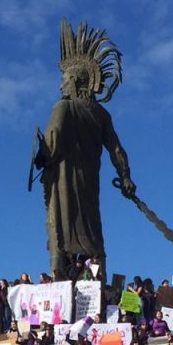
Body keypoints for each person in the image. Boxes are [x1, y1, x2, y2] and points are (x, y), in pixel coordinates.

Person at [36, 19, 135, 280]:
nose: (61, 86)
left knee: (60, 225)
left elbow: (52, 137)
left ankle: (58, 276)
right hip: (90, 180)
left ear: (76, 81)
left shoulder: (63, 107)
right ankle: (98, 274)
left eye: (64, 80)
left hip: (64, 178)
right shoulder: (101, 114)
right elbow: (116, 148)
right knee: (92, 226)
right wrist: (125, 175)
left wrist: (42, 155)